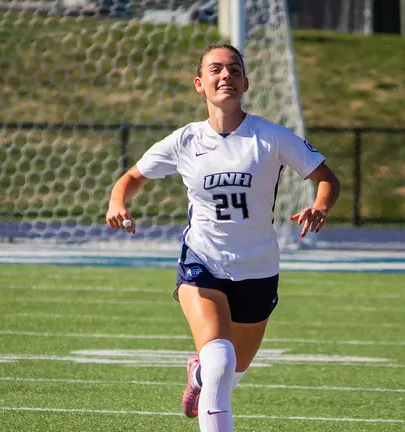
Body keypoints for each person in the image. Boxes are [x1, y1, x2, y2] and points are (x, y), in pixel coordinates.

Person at [106, 44, 341, 432]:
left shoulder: (271, 136)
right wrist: (118, 203)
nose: (225, 75)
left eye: (234, 69)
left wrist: (320, 207)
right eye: (215, 69)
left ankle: (197, 374)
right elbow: (131, 178)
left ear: (245, 83)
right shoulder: (185, 140)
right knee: (220, 361)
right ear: (200, 83)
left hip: (258, 268)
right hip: (204, 262)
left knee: (230, 373)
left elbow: (327, 178)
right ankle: (207, 370)